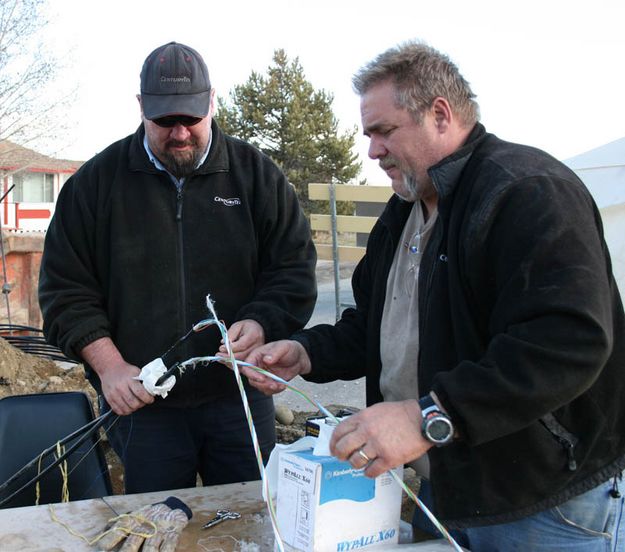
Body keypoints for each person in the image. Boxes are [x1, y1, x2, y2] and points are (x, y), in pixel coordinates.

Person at [244, 41, 625, 551]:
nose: (373, 150)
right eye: (369, 135)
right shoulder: (405, 210)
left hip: (545, 503)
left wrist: (426, 417)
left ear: (440, 114)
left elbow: (568, 341)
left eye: (384, 131)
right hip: (446, 486)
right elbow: (377, 323)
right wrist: (308, 351)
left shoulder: (526, 191)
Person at [38, 41, 317, 494]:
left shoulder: (257, 177)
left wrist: (261, 321)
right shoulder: (95, 186)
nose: (180, 132)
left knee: (253, 521)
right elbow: (64, 291)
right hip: (143, 407)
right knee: (157, 523)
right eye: (165, 121)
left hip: (238, 399)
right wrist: (109, 367)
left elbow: (294, 269)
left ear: (211, 102)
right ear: (141, 108)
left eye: (191, 118)